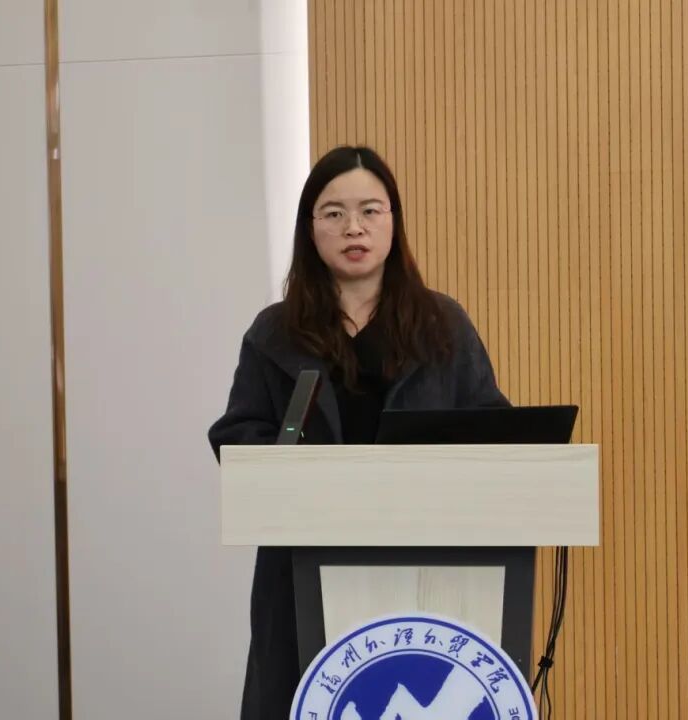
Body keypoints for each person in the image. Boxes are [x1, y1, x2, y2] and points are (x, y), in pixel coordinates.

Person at [207, 145, 508, 720]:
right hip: (303, 569)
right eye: (334, 213)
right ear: (310, 228)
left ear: (394, 222)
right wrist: (295, 465)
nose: (354, 228)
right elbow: (236, 433)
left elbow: (492, 425)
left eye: (371, 211)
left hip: (425, 570)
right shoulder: (275, 332)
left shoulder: (443, 324)